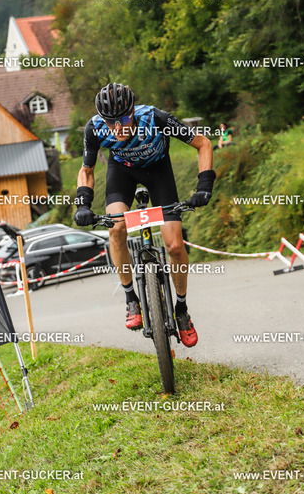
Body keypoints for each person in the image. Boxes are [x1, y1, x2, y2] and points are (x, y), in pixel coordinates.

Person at [74, 82, 215, 347]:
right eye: (111, 122)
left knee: (174, 246)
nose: (117, 128)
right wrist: (82, 204)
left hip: (159, 172)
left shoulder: (155, 118)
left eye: (123, 120)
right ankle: (131, 299)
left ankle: (181, 309)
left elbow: (203, 144)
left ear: (133, 112)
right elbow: (87, 170)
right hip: (122, 172)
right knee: (116, 228)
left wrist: (204, 186)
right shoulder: (95, 128)